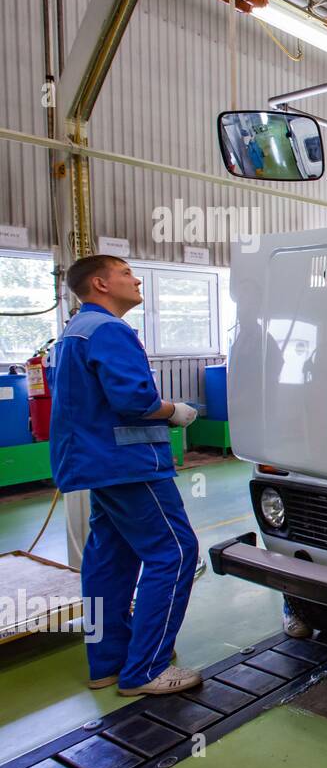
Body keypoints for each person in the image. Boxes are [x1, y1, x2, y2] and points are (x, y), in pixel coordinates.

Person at [50, 255, 204, 696]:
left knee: (110, 559)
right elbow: (135, 400)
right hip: (128, 464)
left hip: (96, 462)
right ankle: (147, 669)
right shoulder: (110, 331)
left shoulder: (75, 331)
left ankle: (110, 661)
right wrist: (176, 412)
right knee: (173, 552)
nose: (136, 280)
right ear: (100, 283)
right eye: (125, 274)